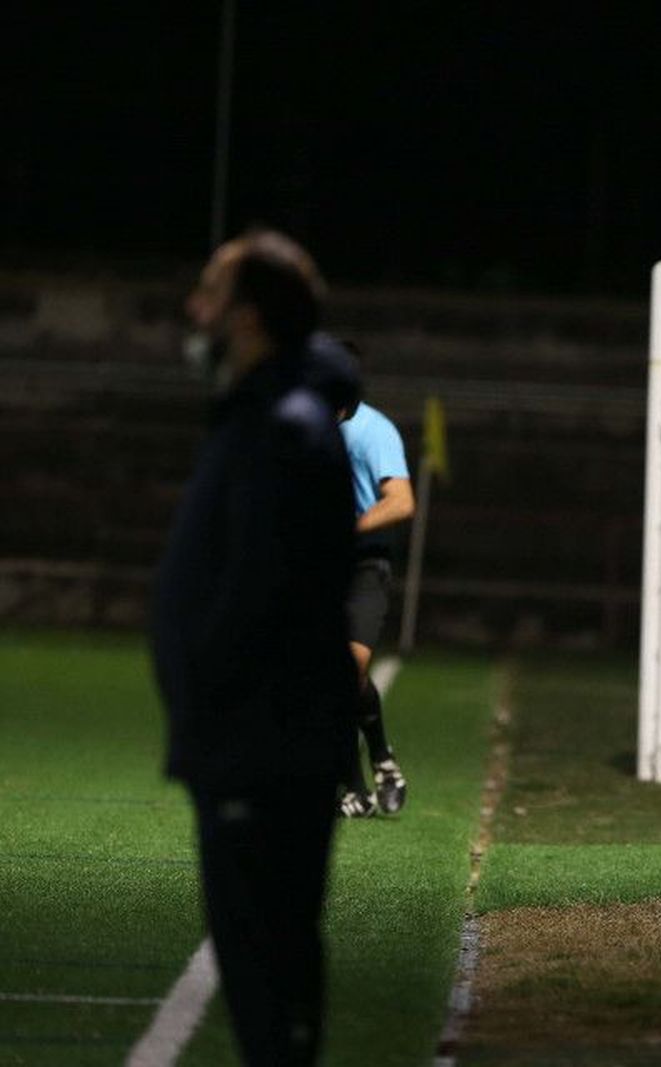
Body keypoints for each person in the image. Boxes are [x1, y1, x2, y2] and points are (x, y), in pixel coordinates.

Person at [151, 230, 357, 1066]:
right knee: (262, 962)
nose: (194, 311)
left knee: (265, 962)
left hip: (262, 741)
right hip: (247, 735)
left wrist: (206, 676)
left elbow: (264, 586)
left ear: (249, 316)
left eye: (211, 293)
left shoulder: (286, 425)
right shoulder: (261, 415)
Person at [314, 336, 415, 819]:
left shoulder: (374, 431)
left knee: (345, 669)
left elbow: (401, 501)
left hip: (363, 563)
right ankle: (352, 788)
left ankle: (382, 759)